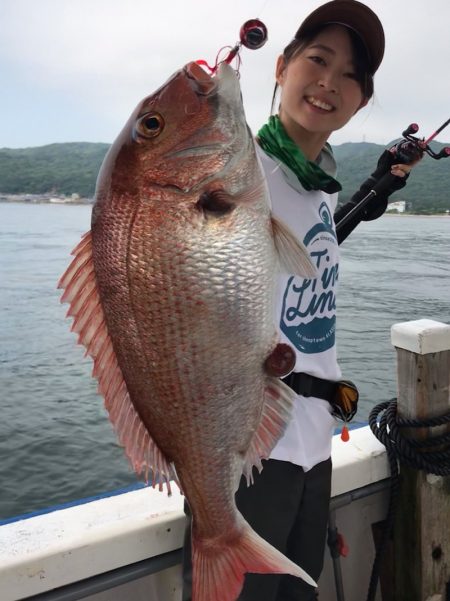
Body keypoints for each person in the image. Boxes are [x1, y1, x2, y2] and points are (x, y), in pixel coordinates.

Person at [183, 1, 419, 599]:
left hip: (311, 446)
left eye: (349, 76)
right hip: (248, 454)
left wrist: (382, 183)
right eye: (317, 60)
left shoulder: (313, 189)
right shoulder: (238, 174)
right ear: (281, 67)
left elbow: (316, 242)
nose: (328, 82)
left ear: (361, 101)